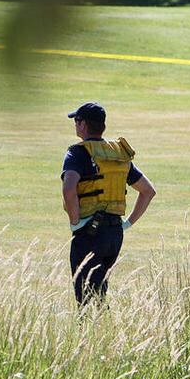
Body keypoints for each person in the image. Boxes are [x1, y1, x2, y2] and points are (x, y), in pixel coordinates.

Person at [60, 102, 157, 305]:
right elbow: (148, 191)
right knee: (99, 292)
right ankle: (104, 330)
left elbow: (69, 189)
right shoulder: (117, 154)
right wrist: (127, 223)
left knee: (86, 299)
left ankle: (94, 334)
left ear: (84, 125)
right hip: (114, 234)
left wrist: (75, 221)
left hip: (89, 233)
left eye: (76, 121)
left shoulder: (78, 153)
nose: (75, 125)